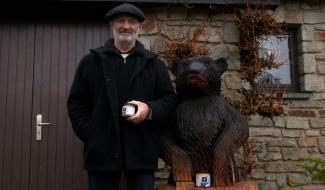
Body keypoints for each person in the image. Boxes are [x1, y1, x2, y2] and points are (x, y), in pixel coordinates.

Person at [67, 3, 177, 190]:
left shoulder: (154, 64)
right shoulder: (90, 62)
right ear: (111, 25)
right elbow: (76, 103)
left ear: (139, 27)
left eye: (132, 21)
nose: (126, 26)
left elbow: (170, 102)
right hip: (101, 154)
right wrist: (92, 134)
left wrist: (149, 110)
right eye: (120, 21)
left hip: (142, 152)